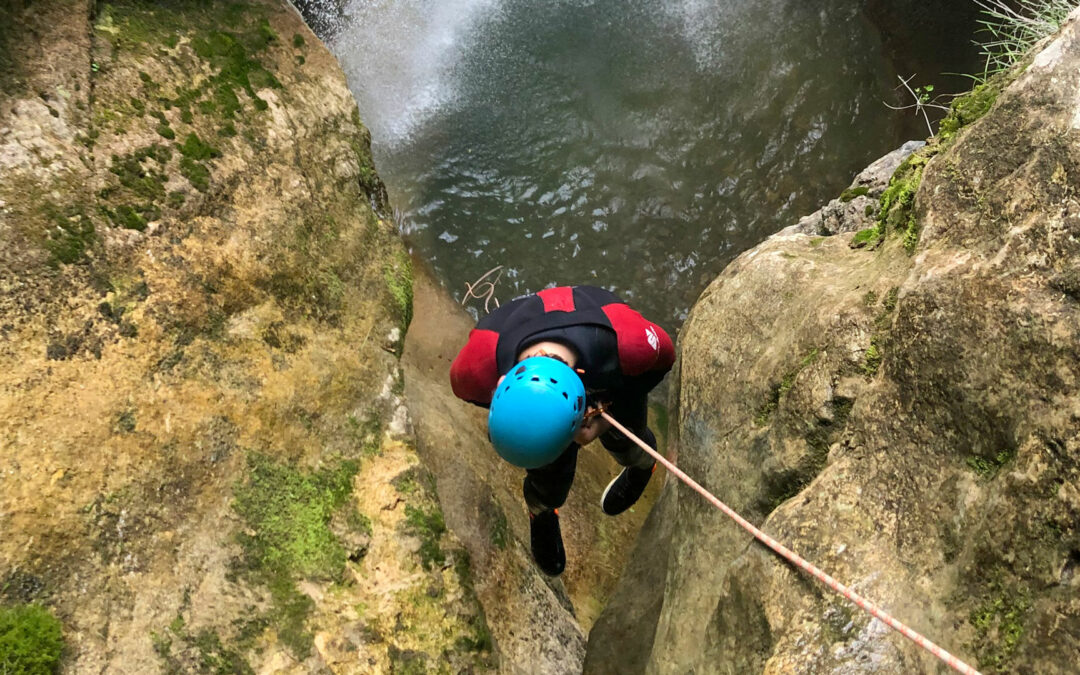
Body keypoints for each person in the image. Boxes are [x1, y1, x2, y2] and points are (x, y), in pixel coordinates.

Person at [450, 285, 674, 576]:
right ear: (500, 381)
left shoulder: (629, 345)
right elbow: (473, 396)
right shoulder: (475, 368)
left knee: (631, 443)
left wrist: (606, 417)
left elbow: (664, 360)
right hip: (562, 379)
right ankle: (543, 509)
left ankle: (643, 466)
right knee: (547, 478)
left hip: (614, 372)